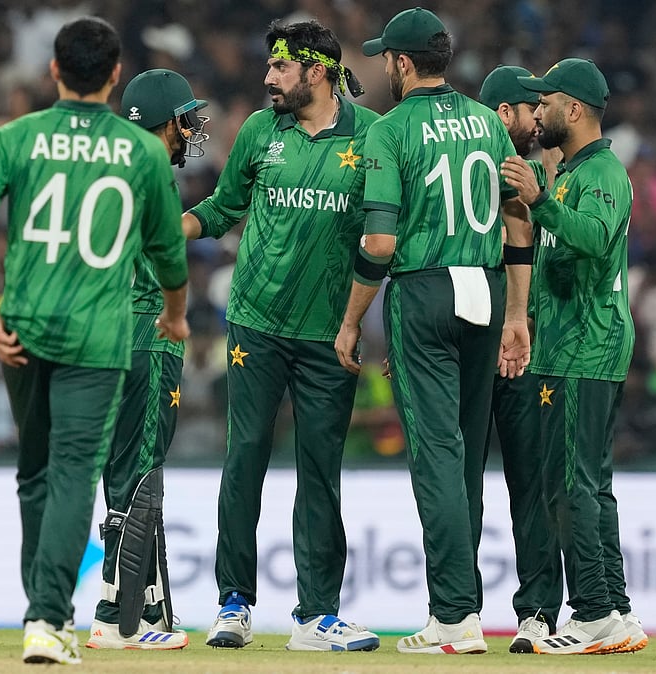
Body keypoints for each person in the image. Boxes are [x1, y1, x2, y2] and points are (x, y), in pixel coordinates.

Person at [0, 17, 189, 666]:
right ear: (115, 76)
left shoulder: (15, 137)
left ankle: (41, 609)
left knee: (35, 473)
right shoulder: (142, 153)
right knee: (76, 477)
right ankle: (48, 620)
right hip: (97, 336)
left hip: (22, 326)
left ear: (53, 70)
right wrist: (176, 315)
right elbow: (169, 254)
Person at [334, 8, 533, 655]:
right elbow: (518, 219)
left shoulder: (389, 132)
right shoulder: (485, 122)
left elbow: (381, 240)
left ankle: (453, 616)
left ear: (398, 62)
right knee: (468, 455)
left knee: (437, 454)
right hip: (487, 286)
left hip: (423, 287)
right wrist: (517, 313)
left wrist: (351, 318)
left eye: (384, 59)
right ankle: (463, 608)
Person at [181, 19, 381, 653]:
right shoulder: (260, 132)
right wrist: (168, 226)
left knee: (320, 472)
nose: (267, 78)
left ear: (315, 71)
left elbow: (384, 236)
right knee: (244, 461)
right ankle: (233, 604)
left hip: (331, 334)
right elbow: (221, 209)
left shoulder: (372, 137)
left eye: (279, 68)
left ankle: (317, 616)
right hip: (255, 325)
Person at [501, 56, 649, 654]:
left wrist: (542, 203)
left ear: (576, 109)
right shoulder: (572, 172)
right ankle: (614, 608)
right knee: (592, 483)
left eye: (547, 101)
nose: (539, 110)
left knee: (569, 486)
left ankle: (590, 616)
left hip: (585, 349)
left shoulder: (604, 173)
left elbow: (591, 238)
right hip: (570, 346)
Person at [84, 68, 209, 651]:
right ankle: (116, 612)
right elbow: (165, 257)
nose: (192, 130)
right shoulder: (153, 171)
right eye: (186, 119)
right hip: (150, 334)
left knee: (126, 472)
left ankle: (151, 607)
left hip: (106, 338)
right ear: (166, 122)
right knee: (141, 474)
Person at [477, 64, 565, 653]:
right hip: (475, 342)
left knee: (531, 485)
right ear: (507, 113)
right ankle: (454, 610)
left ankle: (536, 611)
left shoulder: (544, 177)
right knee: (461, 484)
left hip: (524, 349)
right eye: (534, 106)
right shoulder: (489, 174)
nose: (542, 114)